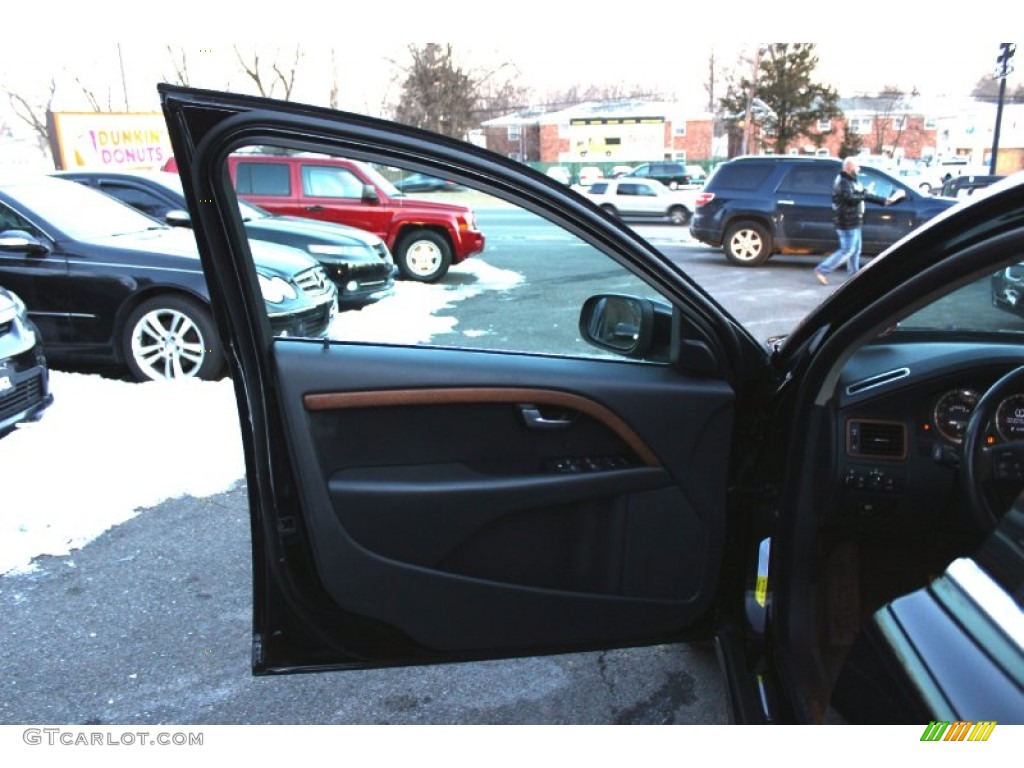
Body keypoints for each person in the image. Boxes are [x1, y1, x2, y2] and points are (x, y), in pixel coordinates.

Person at [814, 158, 901, 285]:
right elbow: (850, 198)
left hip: (854, 220)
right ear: (849, 167)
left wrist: (883, 201)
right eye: (857, 167)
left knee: (855, 250)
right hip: (846, 222)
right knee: (847, 250)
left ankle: (853, 276)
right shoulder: (842, 182)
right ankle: (822, 270)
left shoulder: (852, 180)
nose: (859, 169)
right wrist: (864, 194)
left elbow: (861, 195)